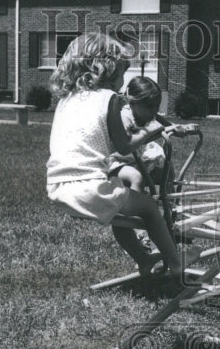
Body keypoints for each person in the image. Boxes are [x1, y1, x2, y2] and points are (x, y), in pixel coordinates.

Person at [45, 32, 186, 285]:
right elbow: (123, 146)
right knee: (150, 209)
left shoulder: (67, 99)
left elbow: (97, 138)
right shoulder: (108, 98)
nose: (123, 80)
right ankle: (176, 265)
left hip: (57, 189)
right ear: (106, 69)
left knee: (124, 212)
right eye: (122, 72)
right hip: (90, 188)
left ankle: (144, 260)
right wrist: (150, 131)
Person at [108, 76, 198, 253]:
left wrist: (181, 129)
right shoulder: (125, 117)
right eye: (149, 106)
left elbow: (169, 126)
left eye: (157, 106)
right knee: (137, 177)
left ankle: (170, 219)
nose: (154, 111)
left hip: (135, 160)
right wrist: (151, 133)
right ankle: (139, 230)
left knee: (165, 171)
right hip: (115, 161)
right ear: (132, 102)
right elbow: (123, 145)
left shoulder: (150, 114)